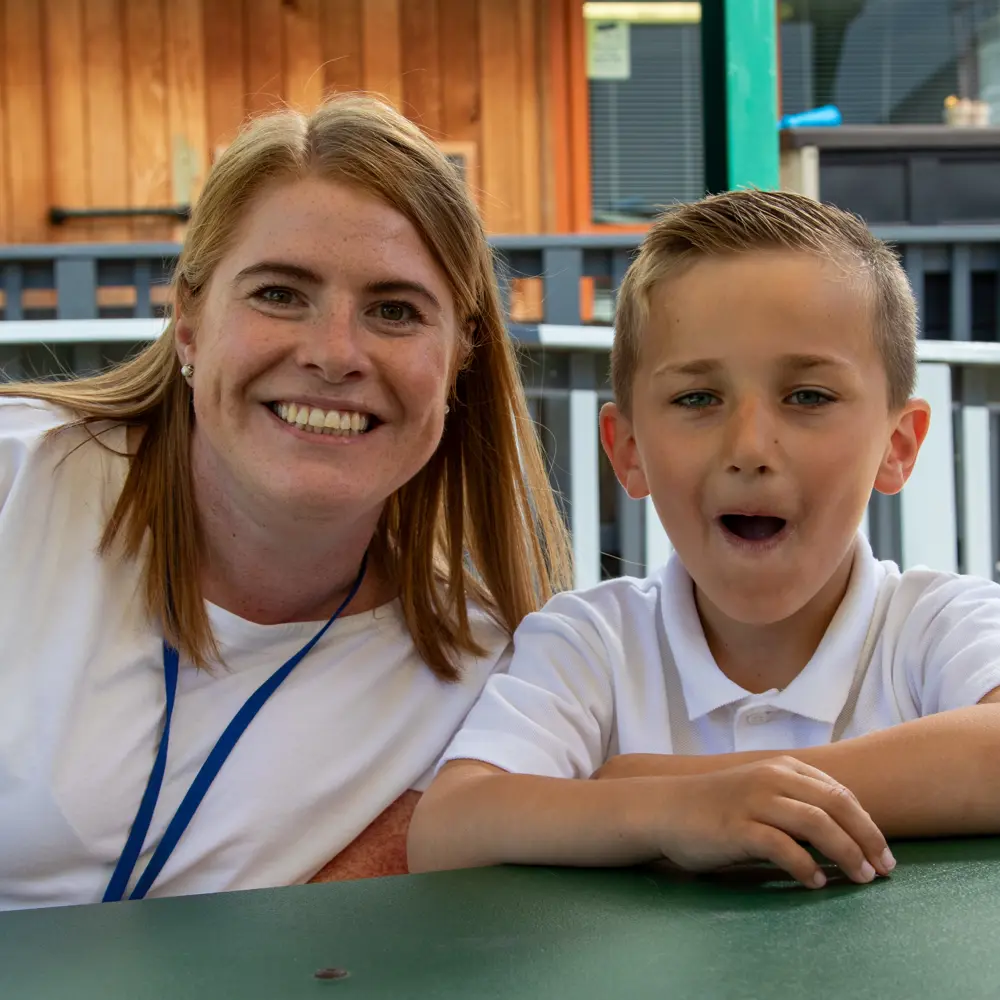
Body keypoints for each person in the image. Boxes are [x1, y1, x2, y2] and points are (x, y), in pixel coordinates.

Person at [0, 95, 571, 911]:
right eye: (279, 294)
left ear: (459, 358)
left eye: (394, 311)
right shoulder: (16, 487)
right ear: (189, 321)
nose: (335, 353)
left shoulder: (481, 674)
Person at [408, 190, 1000, 890]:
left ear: (897, 446)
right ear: (627, 450)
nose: (749, 447)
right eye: (697, 399)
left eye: (807, 396)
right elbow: (448, 831)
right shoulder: (593, 642)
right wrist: (671, 811)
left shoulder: (935, 624)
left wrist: (703, 790)